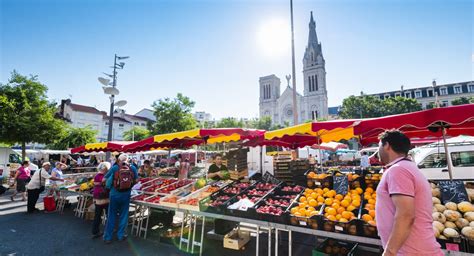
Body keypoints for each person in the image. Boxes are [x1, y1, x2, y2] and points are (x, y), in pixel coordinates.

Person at [376, 130, 442, 256]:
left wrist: (390, 252)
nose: (378, 150)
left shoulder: (398, 170)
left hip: (410, 251)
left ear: (387, 145)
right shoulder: (405, 167)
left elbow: (406, 215)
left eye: (379, 145)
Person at [103, 154, 138, 243]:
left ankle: (108, 237)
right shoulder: (132, 168)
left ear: (119, 160)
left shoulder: (115, 168)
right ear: (127, 159)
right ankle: (120, 235)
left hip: (114, 195)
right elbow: (136, 180)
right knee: (123, 215)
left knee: (111, 215)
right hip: (126, 195)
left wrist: (109, 182)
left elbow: (104, 179)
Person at [92, 162, 111, 238]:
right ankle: (108, 230)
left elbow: (95, 183)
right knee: (108, 215)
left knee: (97, 215)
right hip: (105, 197)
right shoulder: (106, 176)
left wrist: (98, 184)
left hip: (97, 197)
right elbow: (108, 185)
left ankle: (95, 231)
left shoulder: (96, 175)